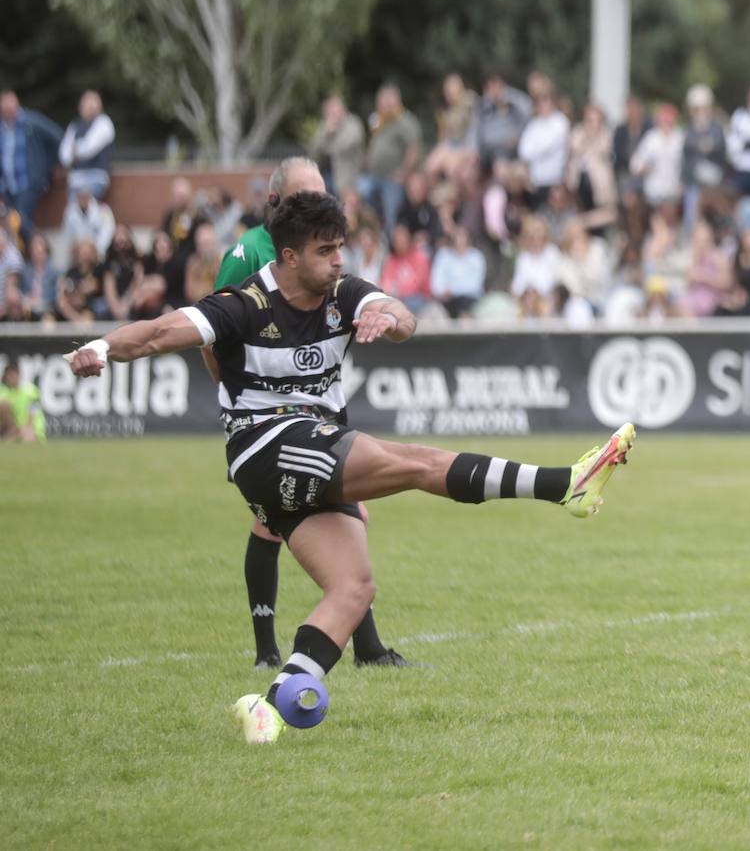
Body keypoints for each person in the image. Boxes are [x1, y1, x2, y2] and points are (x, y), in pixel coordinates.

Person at [64, 189, 636, 744]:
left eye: (340, 248)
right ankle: (564, 486)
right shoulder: (244, 305)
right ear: (288, 257)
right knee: (414, 460)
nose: (339, 260)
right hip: (265, 446)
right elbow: (160, 332)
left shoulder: (343, 293)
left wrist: (388, 318)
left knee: (354, 588)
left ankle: (269, 706)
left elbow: (401, 315)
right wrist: (101, 349)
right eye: (325, 250)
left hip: (311, 446)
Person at [212, 157, 405, 669]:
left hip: (320, 403)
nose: (317, 203)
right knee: (270, 526)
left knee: (352, 511)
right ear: (275, 203)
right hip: (266, 420)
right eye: (303, 194)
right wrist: (238, 394)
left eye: (321, 193)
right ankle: (268, 649)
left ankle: (365, 647)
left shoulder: (325, 245)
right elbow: (214, 331)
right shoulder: (247, 252)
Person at [357, 84, 423, 234]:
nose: (385, 104)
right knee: (358, 193)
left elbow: (413, 151)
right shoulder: (378, 121)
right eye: (382, 100)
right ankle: (369, 235)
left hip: (392, 178)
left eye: (388, 100)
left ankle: (390, 242)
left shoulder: (406, 121)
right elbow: (373, 144)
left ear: (397, 101)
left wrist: (403, 174)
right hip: (373, 176)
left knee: (391, 211)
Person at [0, 90, 62, 235]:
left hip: (29, 183)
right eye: (5, 104)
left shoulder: (31, 122)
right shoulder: (2, 128)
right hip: (8, 186)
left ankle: (39, 249)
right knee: (11, 221)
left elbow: (58, 137)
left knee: (21, 219)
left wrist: (52, 165)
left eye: (11, 103)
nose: (8, 107)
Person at [680, 85, 728, 233]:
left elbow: (720, 148)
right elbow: (687, 152)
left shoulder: (716, 128)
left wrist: (709, 145)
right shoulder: (689, 129)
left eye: (702, 108)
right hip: (693, 183)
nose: (700, 112)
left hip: (713, 184)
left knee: (717, 215)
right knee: (692, 213)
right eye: (696, 108)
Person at [630, 103, 685, 226]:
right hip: (653, 191)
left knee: (670, 215)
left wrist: (682, 183)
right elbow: (636, 163)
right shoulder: (651, 138)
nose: (666, 125)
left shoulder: (680, 138)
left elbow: (686, 165)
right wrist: (643, 168)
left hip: (672, 190)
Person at [58, 90, 115, 207]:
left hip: (96, 178)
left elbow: (89, 149)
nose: (89, 106)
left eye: (92, 103)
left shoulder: (104, 123)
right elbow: (64, 156)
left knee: (86, 208)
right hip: (75, 180)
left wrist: (75, 152)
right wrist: (75, 153)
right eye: (86, 103)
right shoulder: (74, 126)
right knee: (73, 213)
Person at [517, 92, 571, 208]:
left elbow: (548, 146)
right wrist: (537, 150)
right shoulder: (533, 124)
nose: (543, 107)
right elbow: (524, 151)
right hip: (535, 179)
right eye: (540, 104)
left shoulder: (561, 121)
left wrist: (535, 149)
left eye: (546, 103)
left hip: (554, 179)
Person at [424, 73, 478, 185]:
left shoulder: (470, 102)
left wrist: (466, 153)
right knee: (430, 167)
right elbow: (444, 136)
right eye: (446, 90)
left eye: (450, 89)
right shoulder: (448, 110)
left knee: (451, 169)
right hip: (451, 144)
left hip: (465, 145)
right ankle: (437, 196)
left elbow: (474, 130)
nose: (447, 93)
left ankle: (451, 198)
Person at [307, 95, 365, 195]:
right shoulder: (325, 126)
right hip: (325, 175)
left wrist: (327, 141)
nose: (332, 113)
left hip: (347, 178)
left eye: (335, 108)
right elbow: (313, 153)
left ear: (343, 109)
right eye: (329, 110)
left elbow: (344, 146)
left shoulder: (353, 123)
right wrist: (326, 134)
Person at [428, 227, 486, 318]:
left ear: (468, 239)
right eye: (457, 237)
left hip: (469, 301)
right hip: (446, 301)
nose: (460, 241)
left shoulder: (477, 257)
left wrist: (453, 290)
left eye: (463, 237)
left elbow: (475, 286)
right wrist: (443, 292)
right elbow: (436, 284)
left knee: (465, 308)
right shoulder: (443, 255)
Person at [477, 73, 531, 166]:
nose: (494, 91)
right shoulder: (485, 106)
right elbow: (479, 129)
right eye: (490, 88)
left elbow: (528, 116)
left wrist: (518, 135)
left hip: (507, 150)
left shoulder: (516, 101)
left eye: (496, 87)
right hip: (487, 150)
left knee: (500, 163)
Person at [99, 224, 144, 321]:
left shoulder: (137, 261)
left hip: (130, 299)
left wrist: (126, 304)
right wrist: (116, 307)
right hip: (114, 301)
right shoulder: (110, 263)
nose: (120, 238)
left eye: (123, 234)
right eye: (117, 234)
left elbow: (138, 284)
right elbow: (109, 290)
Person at [62, 186, 115, 257]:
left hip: (98, 252)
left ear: (90, 196)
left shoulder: (103, 210)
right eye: (80, 196)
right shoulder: (70, 211)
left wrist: (96, 249)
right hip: (78, 254)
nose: (83, 199)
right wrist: (78, 249)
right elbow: (68, 234)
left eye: (85, 196)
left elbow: (108, 231)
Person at [0, 363, 45, 443]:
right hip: (15, 429)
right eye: (9, 376)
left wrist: (27, 428)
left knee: (26, 439)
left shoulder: (30, 391)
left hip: (32, 429)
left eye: (13, 375)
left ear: (19, 375)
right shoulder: (4, 392)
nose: (11, 378)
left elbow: (33, 411)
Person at [19, 233, 59, 322]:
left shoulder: (53, 272)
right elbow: (22, 291)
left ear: (46, 251)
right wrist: (27, 299)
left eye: (40, 250)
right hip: (28, 307)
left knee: (48, 320)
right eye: (34, 249)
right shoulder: (25, 270)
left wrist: (39, 302)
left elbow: (54, 297)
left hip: (46, 308)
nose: (37, 252)